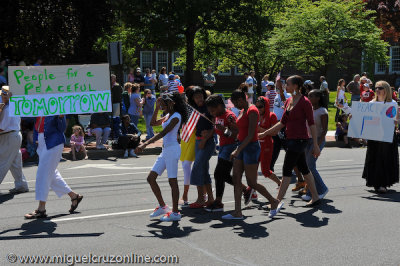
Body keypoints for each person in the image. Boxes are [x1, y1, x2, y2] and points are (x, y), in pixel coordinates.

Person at [259, 75, 322, 208]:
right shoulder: (288, 101)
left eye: (287, 84)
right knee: (305, 169)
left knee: (286, 169)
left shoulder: (305, 102)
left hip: (300, 140)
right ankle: (316, 197)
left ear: (296, 86)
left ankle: (276, 202)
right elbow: (282, 123)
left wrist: (316, 145)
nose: (285, 86)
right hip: (291, 139)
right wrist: (265, 133)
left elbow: (312, 124)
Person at [222, 90, 281, 220]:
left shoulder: (252, 111)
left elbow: (251, 135)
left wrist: (238, 150)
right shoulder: (243, 111)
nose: (235, 106)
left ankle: (273, 201)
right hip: (242, 146)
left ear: (242, 99)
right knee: (236, 178)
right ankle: (238, 212)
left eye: (236, 102)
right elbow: (241, 131)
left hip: (251, 148)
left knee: (252, 182)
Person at [135, 92, 189, 221]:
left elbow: (163, 133)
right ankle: (163, 206)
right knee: (151, 178)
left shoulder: (176, 116)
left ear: (172, 103)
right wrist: (157, 107)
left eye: (164, 103)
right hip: (165, 151)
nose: (162, 105)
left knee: (172, 181)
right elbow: (153, 123)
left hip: (173, 150)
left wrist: (145, 144)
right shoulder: (168, 115)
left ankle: (175, 213)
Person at [24, 115, 83, 219]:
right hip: (41, 143)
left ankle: (41, 209)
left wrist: (60, 117)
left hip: (53, 143)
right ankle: (74, 196)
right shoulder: (37, 104)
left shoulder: (55, 104)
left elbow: (61, 128)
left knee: (43, 174)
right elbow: (28, 117)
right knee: (51, 174)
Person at [205, 95, 252, 212]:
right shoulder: (218, 115)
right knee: (222, 175)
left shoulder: (229, 116)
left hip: (231, 147)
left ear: (220, 106)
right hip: (223, 147)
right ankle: (244, 190)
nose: (212, 113)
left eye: (213, 110)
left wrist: (224, 130)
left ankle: (220, 201)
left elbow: (236, 134)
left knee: (218, 174)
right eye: (210, 111)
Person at [362, 81, 399, 193]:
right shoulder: (372, 103)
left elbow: (395, 121)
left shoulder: (392, 103)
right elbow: (365, 118)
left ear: (386, 90)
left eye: (380, 88)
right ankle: (375, 182)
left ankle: (383, 183)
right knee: (374, 157)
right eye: (376, 87)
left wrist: (396, 121)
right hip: (374, 135)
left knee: (384, 158)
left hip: (387, 135)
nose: (377, 89)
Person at [188, 87, 215, 209]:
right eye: (196, 97)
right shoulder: (193, 109)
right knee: (204, 170)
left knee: (197, 168)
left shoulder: (208, 107)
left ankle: (201, 198)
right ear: (192, 98)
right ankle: (209, 198)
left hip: (207, 142)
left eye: (200, 96)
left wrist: (206, 138)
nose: (199, 98)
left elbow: (215, 125)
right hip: (197, 142)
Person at [0, 86, 29, 194]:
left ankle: (21, 185)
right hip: (13, 136)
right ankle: (21, 185)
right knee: (15, 163)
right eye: (2, 94)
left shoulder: (8, 109)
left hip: (9, 136)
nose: (2, 97)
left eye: (4, 94)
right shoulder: (11, 107)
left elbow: (2, 127)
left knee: (2, 162)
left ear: (9, 96)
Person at [301, 90, 329, 201]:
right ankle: (310, 193)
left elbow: (324, 131)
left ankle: (322, 189)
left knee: (310, 167)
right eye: (308, 96)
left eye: (311, 96)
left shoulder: (322, 111)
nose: (309, 98)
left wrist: (317, 145)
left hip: (317, 140)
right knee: (307, 167)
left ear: (318, 98)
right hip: (308, 140)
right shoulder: (309, 109)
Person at [256, 96, 281, 187]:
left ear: (265, 106)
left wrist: (261, 129)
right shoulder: (255, 115)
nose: (258, 109)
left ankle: (280, 183)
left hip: (266, 145)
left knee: (265, 171)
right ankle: (253, 190)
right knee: (253, 168)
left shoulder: (271, 116)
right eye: (257, 106)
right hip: (255, 145)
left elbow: (274, 133)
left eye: (260, 107)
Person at [179, 86, 196, 206]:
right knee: (185, 164)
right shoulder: (183, 108)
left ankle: (185, 194)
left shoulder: (198, 108)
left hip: (195, 136)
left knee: (187, 165)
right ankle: (205, 192)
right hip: (185, 137)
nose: (186, 97)